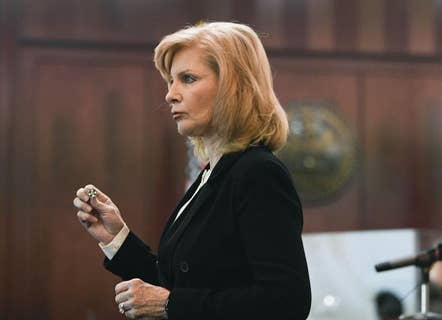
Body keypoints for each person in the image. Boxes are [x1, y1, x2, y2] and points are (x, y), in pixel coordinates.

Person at [73, 21, 311, 320]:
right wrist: (116, 237)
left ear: (232, 86)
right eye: (170, 82)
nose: (170, 95)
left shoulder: (258, 173)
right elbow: (178, 283)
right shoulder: (215, 171)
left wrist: (171, 306)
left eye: (187, 78)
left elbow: (287, 302)